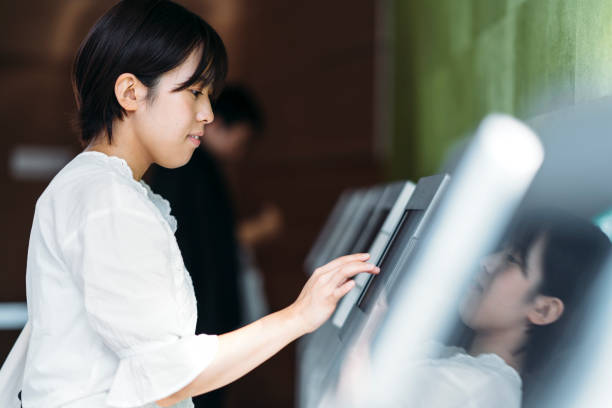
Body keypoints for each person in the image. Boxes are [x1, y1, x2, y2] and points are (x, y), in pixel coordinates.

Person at [0, 1, 379, 407]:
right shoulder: (107, 200)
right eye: (195, 92)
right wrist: (298, 316)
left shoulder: (96, 187)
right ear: (131, 92)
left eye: (209, 94)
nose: (208, 113)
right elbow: (164, 374)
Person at [331, 209, 611, 407]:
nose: (487, 262)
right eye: (499, 249)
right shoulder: (464, 365)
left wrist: (364, 332)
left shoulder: (475, 386)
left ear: (544, 310)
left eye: (512, 259)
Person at [150, 84, 275, 408]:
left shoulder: (197, 170)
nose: (240, 150)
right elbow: (203, 252)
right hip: (199, 331)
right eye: (242, 140)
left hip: (201, 332)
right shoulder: (191, 170)